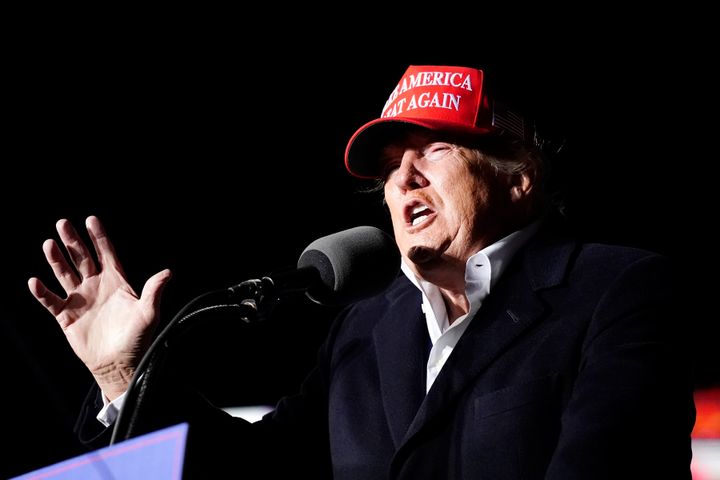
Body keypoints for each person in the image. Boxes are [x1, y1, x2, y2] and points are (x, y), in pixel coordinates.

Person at [29, 65, 695, 479]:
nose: (403, 176)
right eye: (387, 165)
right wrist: (124, 371)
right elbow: (253, 472)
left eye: (435, 147)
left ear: (520, 177)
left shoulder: (618, 290)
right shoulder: (366, 328)